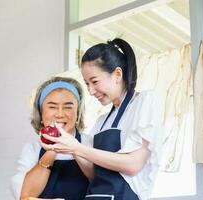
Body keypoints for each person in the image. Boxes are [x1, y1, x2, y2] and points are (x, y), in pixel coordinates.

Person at [41, 38, 163, 200]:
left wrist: (77, 148)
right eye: (87, 84)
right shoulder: (102, 121)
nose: (91, 91)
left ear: (117, 74)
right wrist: (69, 146)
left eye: (95, 82)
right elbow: (94, 175)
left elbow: (133, 165)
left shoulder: (145, 102)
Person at [11, 76, 91, 200]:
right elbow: (25, 196)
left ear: (78, 113)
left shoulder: (91, 143)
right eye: (52, 107)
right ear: (41, 114)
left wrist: (74, 148)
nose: (60, 114)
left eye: (68, 107)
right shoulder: (33, 148)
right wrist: (52, 149)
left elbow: (102, 183)